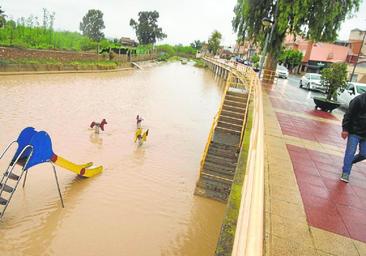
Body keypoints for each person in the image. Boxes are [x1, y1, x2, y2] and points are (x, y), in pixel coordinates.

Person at [340, 92, 366, 183]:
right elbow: (348, 114)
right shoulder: (358, 100)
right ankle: (346, 172)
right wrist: (345, 129)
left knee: (364, 154)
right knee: (350, 152)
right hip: (354, 132)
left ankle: (350, 162)